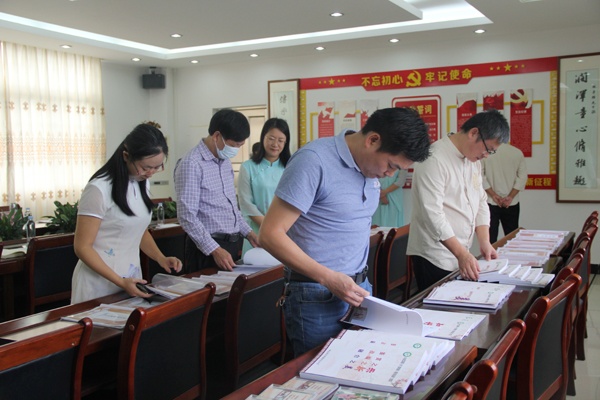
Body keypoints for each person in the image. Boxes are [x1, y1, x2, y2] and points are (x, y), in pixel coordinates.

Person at [259, 107, 431, 356]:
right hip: (316, 294)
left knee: (355, 365)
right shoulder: (313, 160)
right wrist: (328, 278)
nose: (390, 174)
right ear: (372, 140)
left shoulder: (369, 167)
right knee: (320, 370)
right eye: (391, 165)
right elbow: (270, 234)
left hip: (358, 289)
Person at [71, 123, 182, 304]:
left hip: (131, 279)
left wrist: (160, 258)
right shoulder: (98, 189)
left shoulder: (141, 182)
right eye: (145, 167)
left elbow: (139, 230)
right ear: (126, 156)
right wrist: (120, 281)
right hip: (99, 283)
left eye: (157, 167)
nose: (150, 173)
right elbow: (82, 247)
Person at [407, 109, 510, 292]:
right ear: (474, 133)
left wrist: (485, 242)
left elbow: (480, 201)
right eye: (488, 149)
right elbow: (432, 214)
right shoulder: (433, 158)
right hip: (435, 255)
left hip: (460, 253)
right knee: (437, 305)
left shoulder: (473, 160)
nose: (486, 155)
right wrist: (461, 253)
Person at [174, 109, 259, 272]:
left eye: (240, 145)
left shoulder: (224, 161)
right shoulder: (191, 164)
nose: (236, 150)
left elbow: (231, 208)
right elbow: (186, 216)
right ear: (217, 136)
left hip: (231, 245)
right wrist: (215, 250)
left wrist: (250, 234)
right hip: (206, 249)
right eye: (234, 145)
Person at [238, 118, 291, 255]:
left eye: (280, 140)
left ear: (285, 143)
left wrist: (280, 229)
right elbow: (246, 204)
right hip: (256, 234)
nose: (275, 144)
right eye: (271, 138)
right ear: (263, 138)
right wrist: (271, 227)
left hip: (285, 234)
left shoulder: (290, 168)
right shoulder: (248, 167)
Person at [482, 143, 528, 243]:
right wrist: (510, 197)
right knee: (512, 239)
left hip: (491, 201)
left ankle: (491, 254)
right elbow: (522, 177)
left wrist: (493, 195)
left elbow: (480, 176)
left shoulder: (485, 153)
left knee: (490, 239)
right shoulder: (516, 152)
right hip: (511, 203)